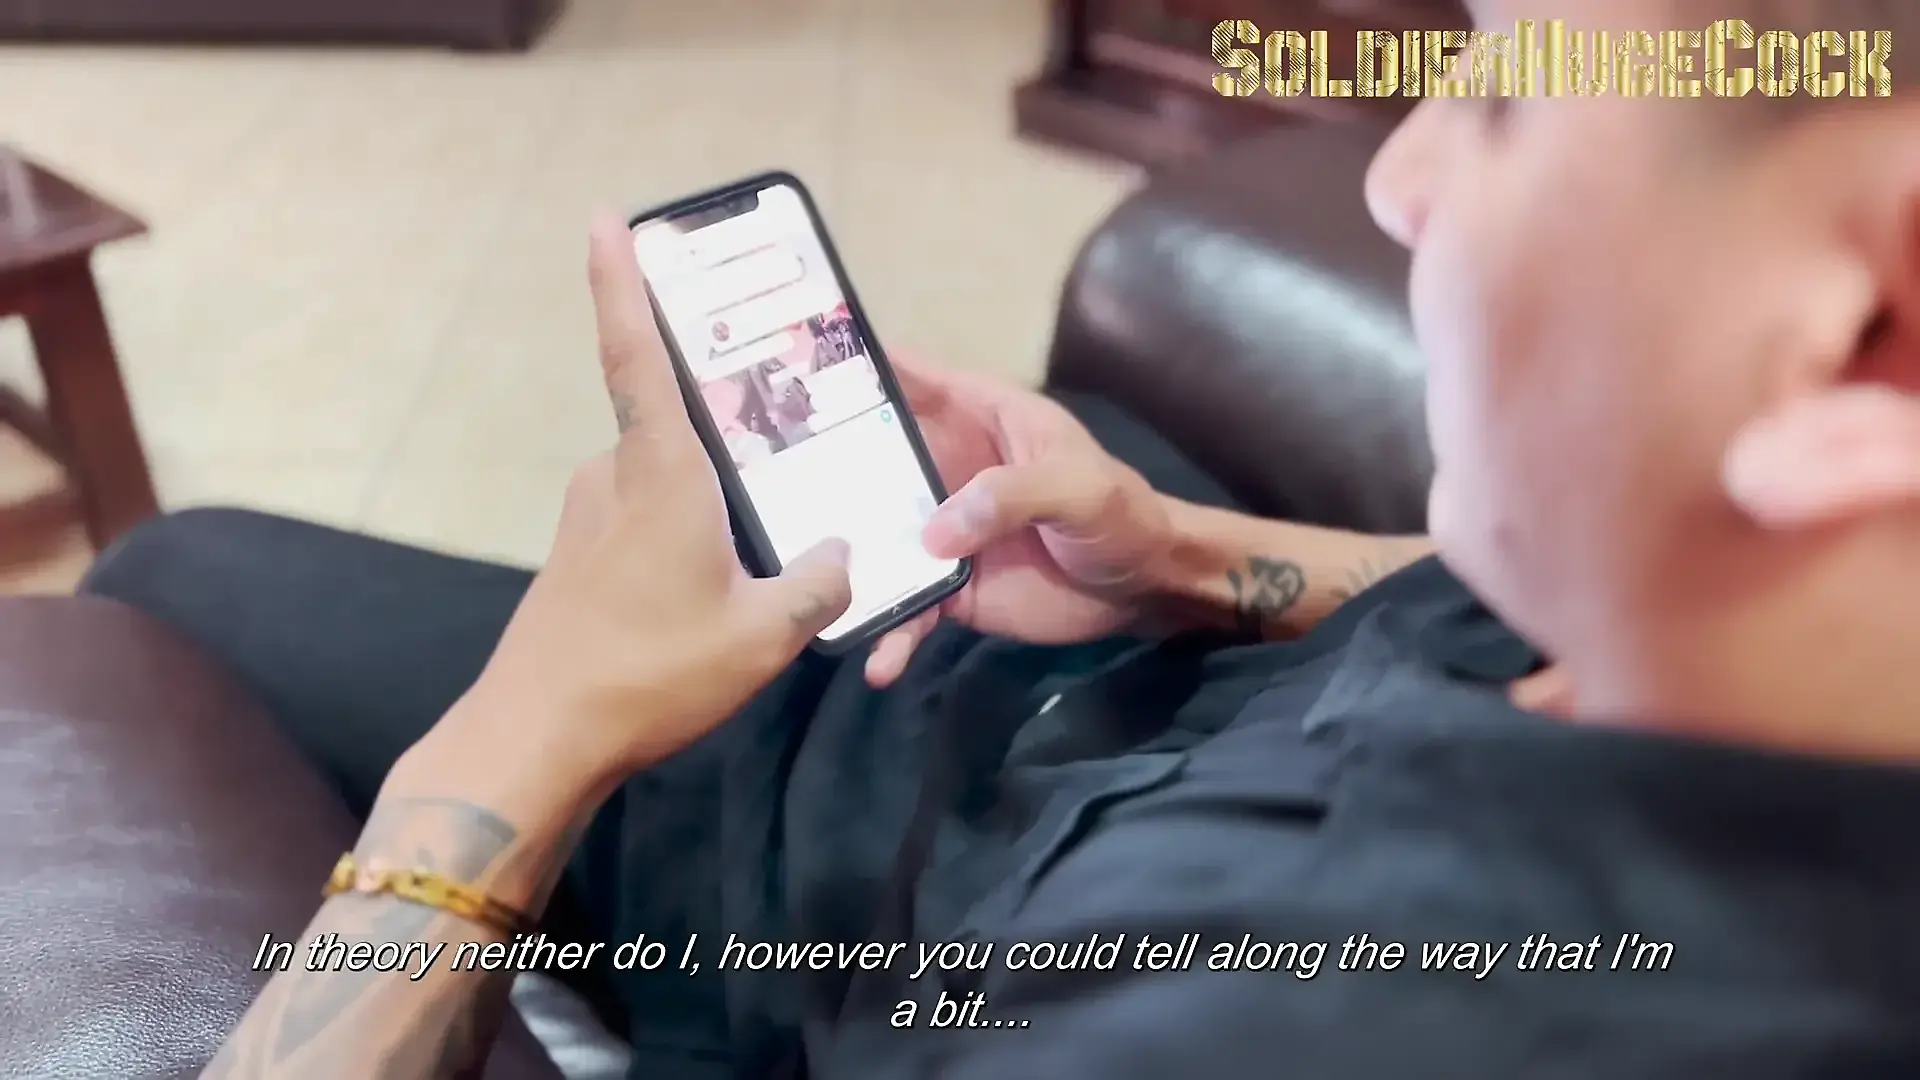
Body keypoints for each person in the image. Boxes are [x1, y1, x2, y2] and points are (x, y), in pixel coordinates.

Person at [101, 0, 1918, 1075]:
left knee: (167, 587)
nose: (1398, 175)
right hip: (1028, 668)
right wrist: (1182, 554)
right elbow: (1471, 609)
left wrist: (528, 733)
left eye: (1508, 97)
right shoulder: (1729, 631)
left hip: (800, 895)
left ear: (1870, 330)